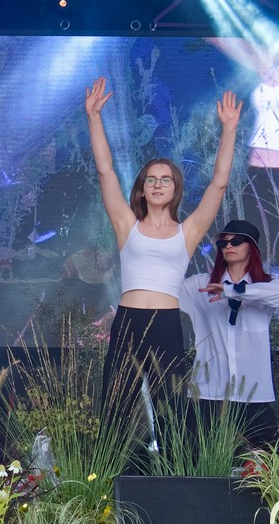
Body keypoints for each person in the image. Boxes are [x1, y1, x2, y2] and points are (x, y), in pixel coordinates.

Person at [83, 77, 242, 413]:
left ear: (175, 189)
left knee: (171, 410)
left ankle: (170, 453)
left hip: (166, 324)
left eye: (165, 180)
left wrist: (229, 130)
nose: (157, 184)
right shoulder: (127, 226)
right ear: (142, 190)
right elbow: (105, 171)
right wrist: (94, 117)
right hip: (128, 322)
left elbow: (219, 184)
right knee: (116, 409)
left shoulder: (188, 232)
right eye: (151, 180)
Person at [180, 220, 279, 445]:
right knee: (193, 454)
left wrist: (231, 290)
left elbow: (278, 295)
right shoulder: (201, 285)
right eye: (223, 242)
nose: (228, 246)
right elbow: (165, 291)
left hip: (252, 392)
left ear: (251, 247)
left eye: (236, 241)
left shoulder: (269, 285)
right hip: (208, 391)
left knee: (273, 454)